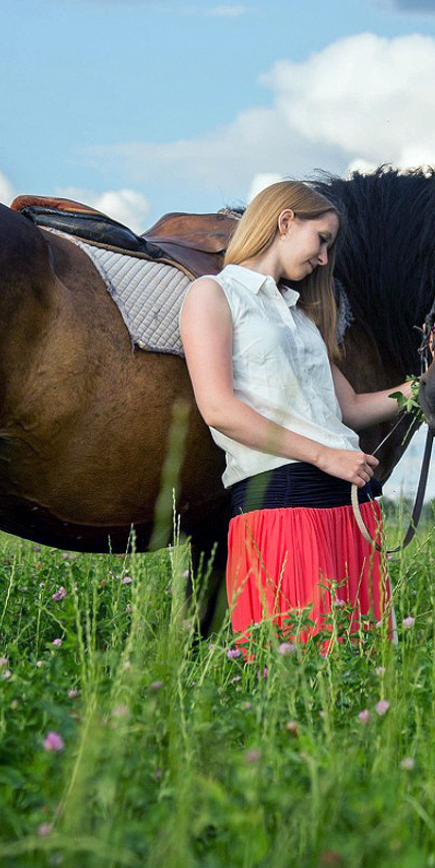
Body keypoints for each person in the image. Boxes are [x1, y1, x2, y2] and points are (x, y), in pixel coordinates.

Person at [179, 180, 414, 651]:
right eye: (322, 239)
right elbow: (219, 409)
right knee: (292, 664)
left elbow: (349, 409)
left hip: (351, 504)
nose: (324, 258)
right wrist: (325, 456)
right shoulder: (213, 295)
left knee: (360, 663)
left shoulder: (304, 318)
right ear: (286, 221)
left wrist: (423, 391)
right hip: (284, 500)